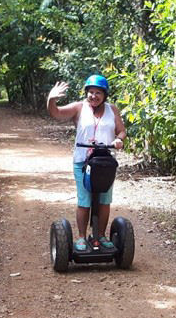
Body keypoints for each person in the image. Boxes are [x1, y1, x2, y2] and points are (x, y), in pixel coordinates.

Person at [47, 75, 127, 252]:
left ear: (104, 95)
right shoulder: (79, 108)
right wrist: (51, 99)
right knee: (85, 201)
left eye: (98, 93)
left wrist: (119, 140)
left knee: (105, 201)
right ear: (86, 93)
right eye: (91, 92)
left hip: (106, 162)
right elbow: (56, 113)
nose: (94, 96)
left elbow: (121, 131)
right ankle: (82, 237)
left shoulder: (112, 110)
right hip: (83, 162)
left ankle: (100, 235)